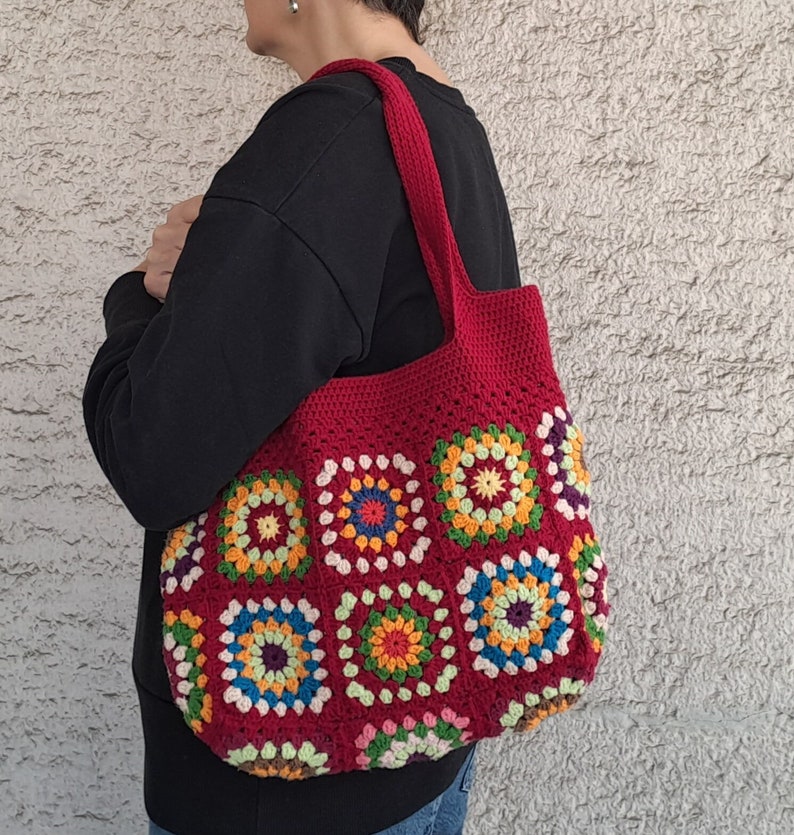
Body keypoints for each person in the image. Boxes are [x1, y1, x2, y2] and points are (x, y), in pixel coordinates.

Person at [83, 1, 523, 833]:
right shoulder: (444, 125)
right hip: (423, 745)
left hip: (286, 781)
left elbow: (152, 452)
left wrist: (140, 298)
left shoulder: (325, 143)